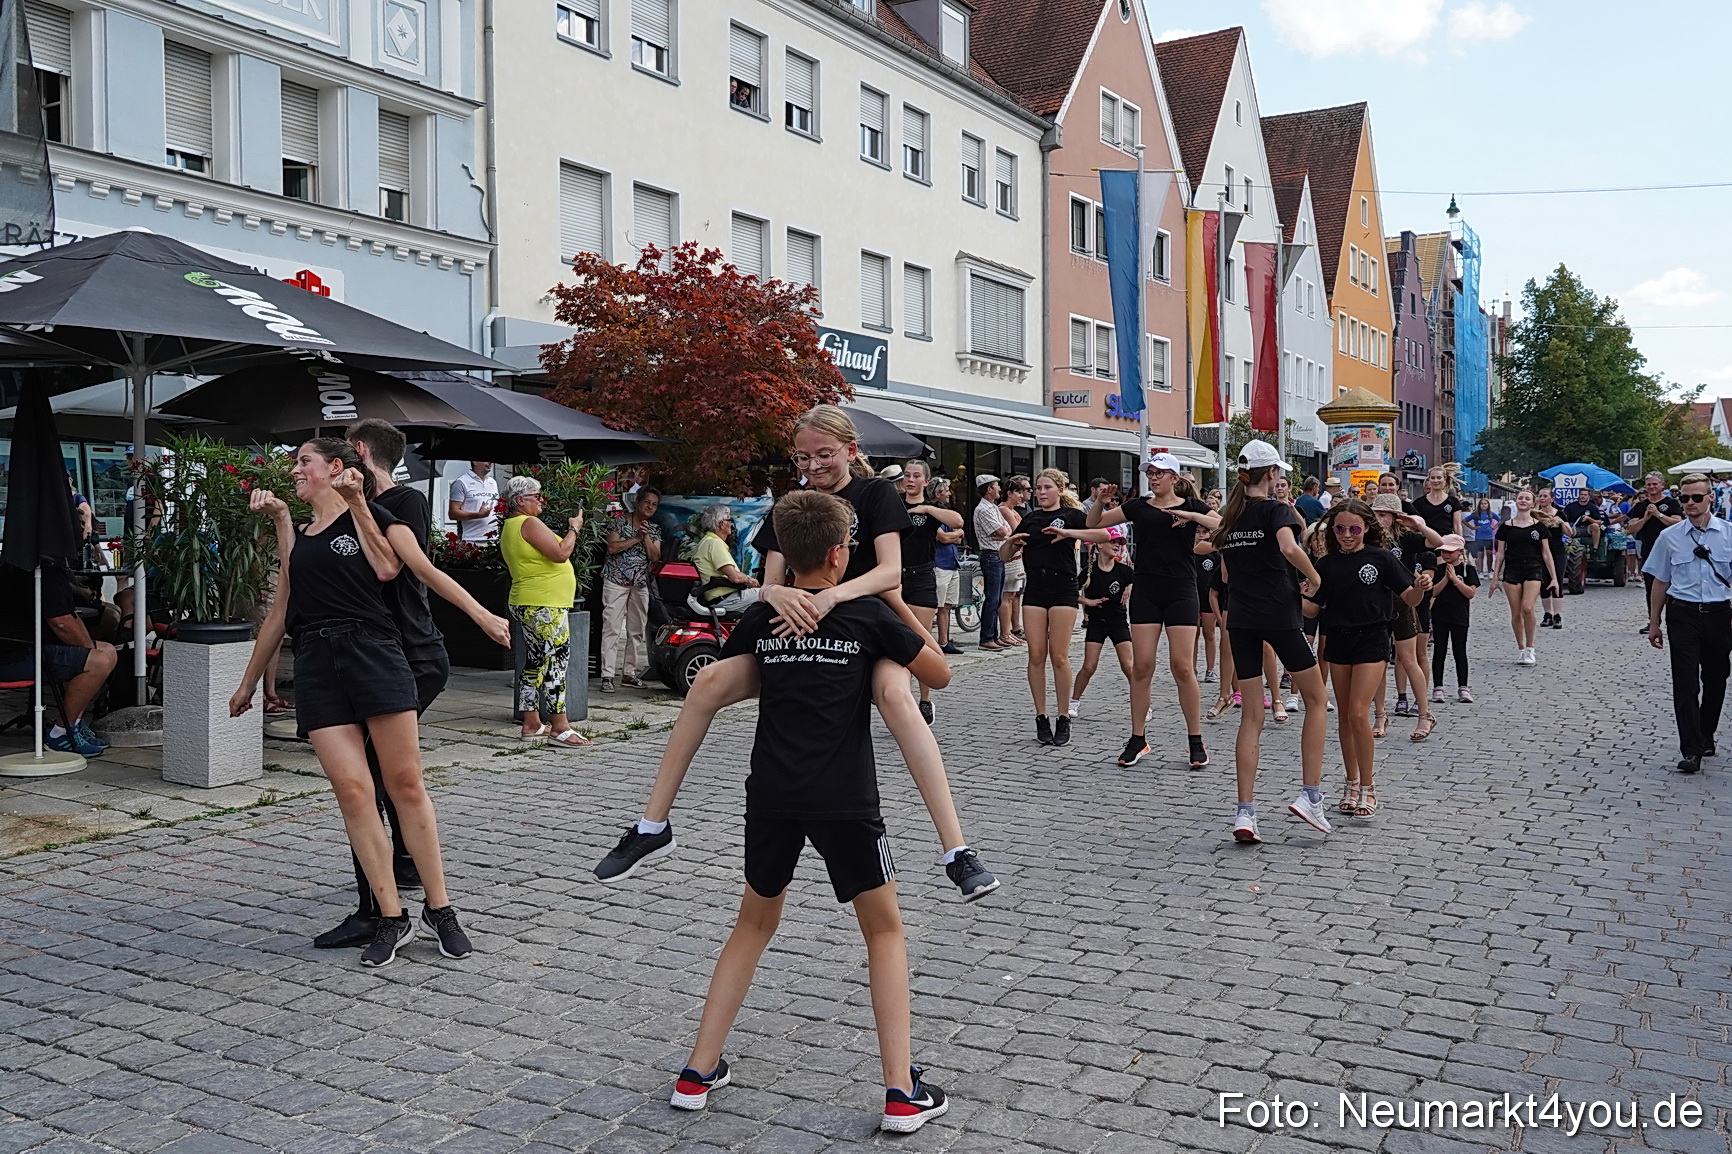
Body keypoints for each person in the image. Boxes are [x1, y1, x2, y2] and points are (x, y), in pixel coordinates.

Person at [595, 405, 998, 902]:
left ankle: (956, 850)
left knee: (896, 696)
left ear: (851, 450)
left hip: (867, 626)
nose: (812, 466)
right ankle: (652, 825)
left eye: (824, 455)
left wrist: (834, 594)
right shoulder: (792, 501)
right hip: (801, 625)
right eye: (802, 457)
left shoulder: (874, 494)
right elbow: (770, 577)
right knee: (707, 681)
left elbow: (890, 571)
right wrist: (773, 594)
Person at [659, 490, 954, 1132]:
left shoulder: (764, 622)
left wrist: (768, 598)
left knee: (753, 923)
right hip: (845, 798)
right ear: (841, 553)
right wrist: (892, 609)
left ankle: (696, 1071)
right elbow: (938, 674)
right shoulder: (868, 615)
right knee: (884, 931)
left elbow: (732, 676)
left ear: (783, 558)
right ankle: (900, 1091)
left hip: (770, 793)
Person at [230, 439, 469, 968]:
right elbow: (280, 613)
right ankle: (390, 916)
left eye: (302, 462)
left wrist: (358, 502)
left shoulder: (376, 515)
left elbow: (389, 569)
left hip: (374, 652)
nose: (294, 470)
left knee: (405, 785)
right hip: (317, 662)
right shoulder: (303, 535)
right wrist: (248, 683)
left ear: (334, 467)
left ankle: (440, 908)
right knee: (354, 793)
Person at [312, 418, 511, 951]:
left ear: (355, 453)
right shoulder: (333, 515)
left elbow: (418, 569)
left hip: (409, 654)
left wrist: (482, 615)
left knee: (382, 781)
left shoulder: (401, 504)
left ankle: (395, 901)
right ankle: (386, 895)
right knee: (363, 784)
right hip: (365, 657)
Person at [1066, 452, 1219, 768]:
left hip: (1181, 590)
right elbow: (1094, 523)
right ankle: (1138, 739)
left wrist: (1192, 518)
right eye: (1150, 472)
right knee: (1142, 666)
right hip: (1147, 589)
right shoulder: (1138, 506)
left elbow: (1223, 524)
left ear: (1175, 478)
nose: (1153, 477)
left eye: (1160, 473)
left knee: (1182, 666)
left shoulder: (1191, 506)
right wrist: (1100, 501)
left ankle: (1195, 740)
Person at [1211, 440, 1331, 844]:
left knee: (1250, 718)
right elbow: (1287, 546)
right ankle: (1310, 794)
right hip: (1279, 615)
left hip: (1240, 619)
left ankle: (1245, 812)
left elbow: (1226, 574)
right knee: (1315, 699)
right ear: (1273, 474)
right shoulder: (1277, 510)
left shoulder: (1232, 517)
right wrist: (1315, 578)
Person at [1304, 500, 1427, 819]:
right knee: (1345, 715)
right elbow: (1312, 610)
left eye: (1354, 528)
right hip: (1338, 640)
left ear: (1367, 528)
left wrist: (1421, 587)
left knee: (1359, 713)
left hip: (1372, 639)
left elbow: (1409, 597)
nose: (1347, 534)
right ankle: (1351, 781)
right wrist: (1290, 592)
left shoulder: (1382, 558)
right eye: (1340, 528)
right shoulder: (1326, 564)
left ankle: (1369, 787)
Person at [1644, 473, 1732, 774]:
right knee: (1685, 683)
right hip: (1682, 614)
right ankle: (1691, 749)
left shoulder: (1728, 534)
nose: (1690, 503)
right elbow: (1659, 581)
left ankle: (1706, 735)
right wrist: (1654, 622)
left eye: (1696, 497)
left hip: (1721, 614)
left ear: (1711, 498)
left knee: (1717, 679)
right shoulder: (1669, 537)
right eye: (1685, 498)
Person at [499, 474, 588, 747]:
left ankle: (531, 721)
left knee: (535, 662)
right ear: (521, 500)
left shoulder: (512, 525)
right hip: (544, 603)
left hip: (529, 600)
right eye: (537, 496)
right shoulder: (528, 523)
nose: (541, 500)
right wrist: (574, 528)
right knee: (556, 662)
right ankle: (559, 727)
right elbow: (560, 553)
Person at [1002, 469, 1087, 745]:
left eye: (1047, 487)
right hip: (1035, 588)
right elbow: (1005, 555)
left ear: (1060, 490)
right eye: (1037, 488)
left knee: (1059, 655)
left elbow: (1101, 533)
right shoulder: (1030, 518)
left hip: (1063, 587)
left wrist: (1069, 533)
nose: (1040, 492)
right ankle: (1041, 716)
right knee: (1036, 654)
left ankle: (1064, 716)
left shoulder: (1072, 516)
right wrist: (1011, 543)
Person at [0, 560, 118, 757]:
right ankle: (60, 733)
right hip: (15, 655)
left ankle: (75, 725)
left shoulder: (24, 564)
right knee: (99, 661)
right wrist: (88, 651)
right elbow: (61, 622)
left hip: (23, 648)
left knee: (108, 651)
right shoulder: (41, 568)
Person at [897, 460, 962, 723]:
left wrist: (925, 508)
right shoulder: (895, 505)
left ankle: (925, 699)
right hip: (895, 578)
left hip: (923, 576)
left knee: (919, 639)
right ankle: (903, 700)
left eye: (916, 476)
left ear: (926, 481)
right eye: (907, 475)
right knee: (896, 640)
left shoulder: (933, 508)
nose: (910, 480)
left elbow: (957, 521)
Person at [1373, 494, 1442, 739]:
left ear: (1395, 517)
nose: (1379, 518)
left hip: (1402, 601)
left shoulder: (1405, 538)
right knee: (1378, 662)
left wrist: (1418, 525)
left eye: (1384, 514)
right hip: (1375, 604)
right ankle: (1380, 715)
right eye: (1376, 513)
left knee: (1408, 658)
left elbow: (1436, 542)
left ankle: (1425, 714)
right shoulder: (1369, 539)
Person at [600, 485, 663, 692]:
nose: (650, 507)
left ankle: (629, 673)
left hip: (640, 583)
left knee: (636, 630)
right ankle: (607, 675)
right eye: (647, 502)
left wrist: (644, 537)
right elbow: (612, 547)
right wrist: (635, 537)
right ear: (638, 502)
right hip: (615, 580)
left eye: (654, 505)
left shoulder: (653, 529)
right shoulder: (618, 521)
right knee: (612, 627)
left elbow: (655, 557)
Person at [1068, 539, 1133, 717]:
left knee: (1129, 666)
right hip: (1097, 622)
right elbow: (1071, 591)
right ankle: (1073, 702)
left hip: (1118, 622)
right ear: (1100, 546)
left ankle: (1143, 704)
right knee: (1089, 666)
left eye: (1118, 544)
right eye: (1112, 543)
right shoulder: (1089, 572)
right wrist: (1087, 601)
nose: (1116, 546)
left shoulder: (1124, 570)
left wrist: (1129, 586)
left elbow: (1137, 580)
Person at [1491, 489, 1555, 666]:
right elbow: (1500, 554)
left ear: (1533, 503)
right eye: (1521, 498)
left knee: (1528, 608)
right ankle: (1521, 649)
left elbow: (1546, 553)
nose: (1523, 500)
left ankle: (1530, 647)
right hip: (1512, 569)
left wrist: (1554, 578)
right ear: (1516, 501)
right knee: (1516, 611)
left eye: (1527, 498)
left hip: (1533, 568)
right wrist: (1495, 577)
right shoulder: (1506, 527)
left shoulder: (1539, 527)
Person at [1426, 534, 1478, 703]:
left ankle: (1463, 686)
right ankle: (1438, 687)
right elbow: (1433, 592)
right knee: (1439, 651)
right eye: (1443, 552)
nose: (1446, 555)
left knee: (1460, 652)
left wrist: (1455, 579)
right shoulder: (1439, 570)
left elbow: (1470, 593)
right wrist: (1446, 578)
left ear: (1460, 552)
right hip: (1440, 615)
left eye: (1450, 552)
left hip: (1460, 616)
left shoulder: (1468, 570)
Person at [1628, 472, 1683, 633]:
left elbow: (1677, 523)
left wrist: (1658, 515)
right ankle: (1654, 621)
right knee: (1651, 588)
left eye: (1655, 484)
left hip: (1671, 550)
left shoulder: (1671, 503)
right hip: (1649, 550)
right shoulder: (1640, 506)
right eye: (1649, 484)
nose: (1652, 487)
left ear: (1662, 485)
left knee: (1674, 587)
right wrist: (1645, 519)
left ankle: (1676, 620)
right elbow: (1631, 528)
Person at [693, 504, 760, 611]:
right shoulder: (714, 544)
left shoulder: (706, 541)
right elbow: (735, 578)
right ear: (721, 524)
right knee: (772, 595)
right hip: (726, 599)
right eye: (729, 520)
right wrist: (750, 580)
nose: (732, 524)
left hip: (718, 598)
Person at [972, 476, 1009, 650]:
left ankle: (993, 635)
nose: (999, 489)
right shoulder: (984, 509)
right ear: (989, 489)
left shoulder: (993, 507)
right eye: (996, 486)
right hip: (991, 555)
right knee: (992, 598)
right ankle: (986, 638)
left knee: (997, 599)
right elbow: (1001, 530)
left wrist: (1003, 532)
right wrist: (1003, 532)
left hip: (998, 555)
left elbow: (1006, 529)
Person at [929, 478, 965, 655]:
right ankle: (929, 642)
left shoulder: (947, 513)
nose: (950, 493)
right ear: (938, 494)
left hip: (952, 562)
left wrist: (955, 535)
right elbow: (942, 537)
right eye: (947, 491)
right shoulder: (931, 513)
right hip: (939, 563)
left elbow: (959, 537)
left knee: (947, 605)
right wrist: (956, 534)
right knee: (935, 605)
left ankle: (944, 641)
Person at [999, 475, 1031, 645]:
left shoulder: (1014, 510)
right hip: (1011, 556)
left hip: (1018, 555)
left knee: (1013, 594)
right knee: (1007, 595)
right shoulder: (1004, 509)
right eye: (1018, 492)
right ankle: (1005, 631)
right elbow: (1017, 530)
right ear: (1009, 493)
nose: (1021, 496)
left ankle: (1012, 629)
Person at [1533, 487, 1571, 629]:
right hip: (1540, 550)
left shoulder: (1559, 513)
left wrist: (1561, 522)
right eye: (1540, 496)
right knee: (1544, 581)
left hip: (1557, 551)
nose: (1542, 498)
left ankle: (1557, 615)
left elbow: (1570, 532)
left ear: (1551, 499)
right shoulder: (1535, 515)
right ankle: (1547, 614)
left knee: (1558, 581)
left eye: (1545, 496)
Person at [448, 461, 499, 542]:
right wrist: (478, 515)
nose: (490, 463)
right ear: (475, 461)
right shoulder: (461, 482)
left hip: (494, 539)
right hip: (471, 539)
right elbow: (453, 513)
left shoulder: (492, 482)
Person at [1414, 467, 1465, 539]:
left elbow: (1457, 526)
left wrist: (1460, 543)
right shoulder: (1418, 503)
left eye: (1439, 477)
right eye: (1433, 478)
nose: (1435, 480)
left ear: (1444, 480)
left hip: (1446, 543)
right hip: (1425, 542)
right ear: (1429, 480)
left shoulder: (1453, 502)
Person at [1465, 498, 1499, 567]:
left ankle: (1489, 571)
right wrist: (1472, 528)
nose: (1483, 505)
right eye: (1482, 504)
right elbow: (1464, 520)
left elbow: (1500, 520)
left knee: (1489, 554)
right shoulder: (1475, 514)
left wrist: (1494, 527)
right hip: (1479, 537)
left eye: (1485, 504)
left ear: (1488, 505)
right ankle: (1480, 571)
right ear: (1479, 505)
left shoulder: (1491, 513)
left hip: (1489, 536)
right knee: (1480, 555)